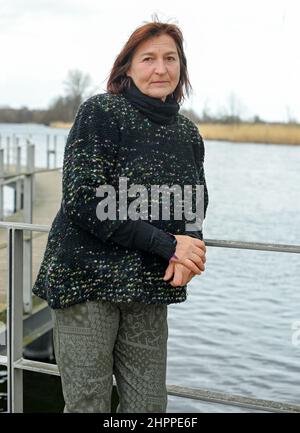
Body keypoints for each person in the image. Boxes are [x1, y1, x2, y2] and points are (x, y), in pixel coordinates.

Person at [32, 19, 209, 413]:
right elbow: (85, 199)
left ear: (181, 67)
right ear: (127, 67)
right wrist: (168, 244)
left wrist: (190, 252)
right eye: (148, 58)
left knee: (149, 405)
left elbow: (194, 202)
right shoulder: (101, 113)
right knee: (88, 404)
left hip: (149, 286)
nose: (160, 68)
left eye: (170, 58)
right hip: (87, 282)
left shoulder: (187, 133)